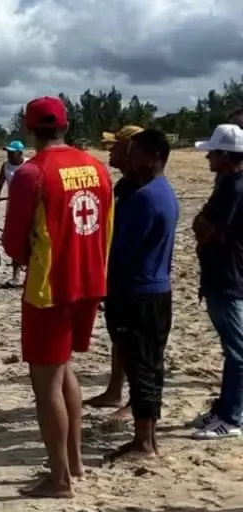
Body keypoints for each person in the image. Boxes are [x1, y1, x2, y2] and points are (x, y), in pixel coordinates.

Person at [3, 96, 113, 498]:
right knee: (65, 369)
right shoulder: (95, 167)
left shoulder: (33, 173)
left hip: (49, 287)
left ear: (29, 130)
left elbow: (14, 242)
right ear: (65, 126)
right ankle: (76, 463)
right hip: (89, 280)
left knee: (45, 381)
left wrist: (25, 252)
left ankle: (60, 479)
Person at [103, 129, 178, 461]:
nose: (129, 159)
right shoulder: (162, 191)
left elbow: (119, 250)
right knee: (150, 365)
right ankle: (147, 437)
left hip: (138, 293)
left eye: (134, 153)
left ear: (151, 157)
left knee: (141, 368)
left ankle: (145, 443)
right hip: (156, 290)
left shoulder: (144, 199)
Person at [83, 125, 144, 418]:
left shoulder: (141, 188)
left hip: (135, 279)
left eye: (115, 147)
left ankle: (134, 401)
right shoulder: (122, 185)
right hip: (116, 273)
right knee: (118, 335)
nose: (109, 151)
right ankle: (114, 391)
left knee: (134, 340)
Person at [189, 124, 243, 438]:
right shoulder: (228, 184)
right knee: (231, 349)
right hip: (225, 276)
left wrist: (202, 224)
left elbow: (203, 227)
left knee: (237, 352)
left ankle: (232, 417)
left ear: (226, 155)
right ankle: (225, 409)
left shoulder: (232, 189)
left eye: (213, 151)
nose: (208, 156)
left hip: (228, 278)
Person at [0, 140, 29, 287]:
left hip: (28, 206)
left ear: (20, 153)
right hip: (12, 206)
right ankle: (15, 276)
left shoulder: (29, 164)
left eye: (11, 152)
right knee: (15, 240)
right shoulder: (6, 166)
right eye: (8, 152)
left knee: (28, 240)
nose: (8, 155)